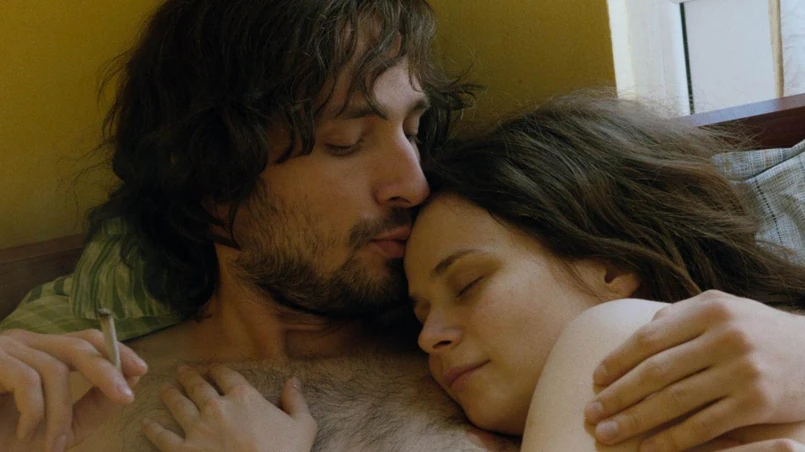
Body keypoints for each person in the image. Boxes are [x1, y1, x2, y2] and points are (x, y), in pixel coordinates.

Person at [2, 1, 805, 450]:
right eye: (344, 143)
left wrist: (794, 350)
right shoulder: (75, 399)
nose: (411, 182)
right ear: (214, 181)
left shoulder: (511, 342)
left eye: (414, 131)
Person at [136, 94, 805, 452]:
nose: (430, 338)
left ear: (610, 264)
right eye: (420, 314)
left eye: (468, 284)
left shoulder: (612, 336)